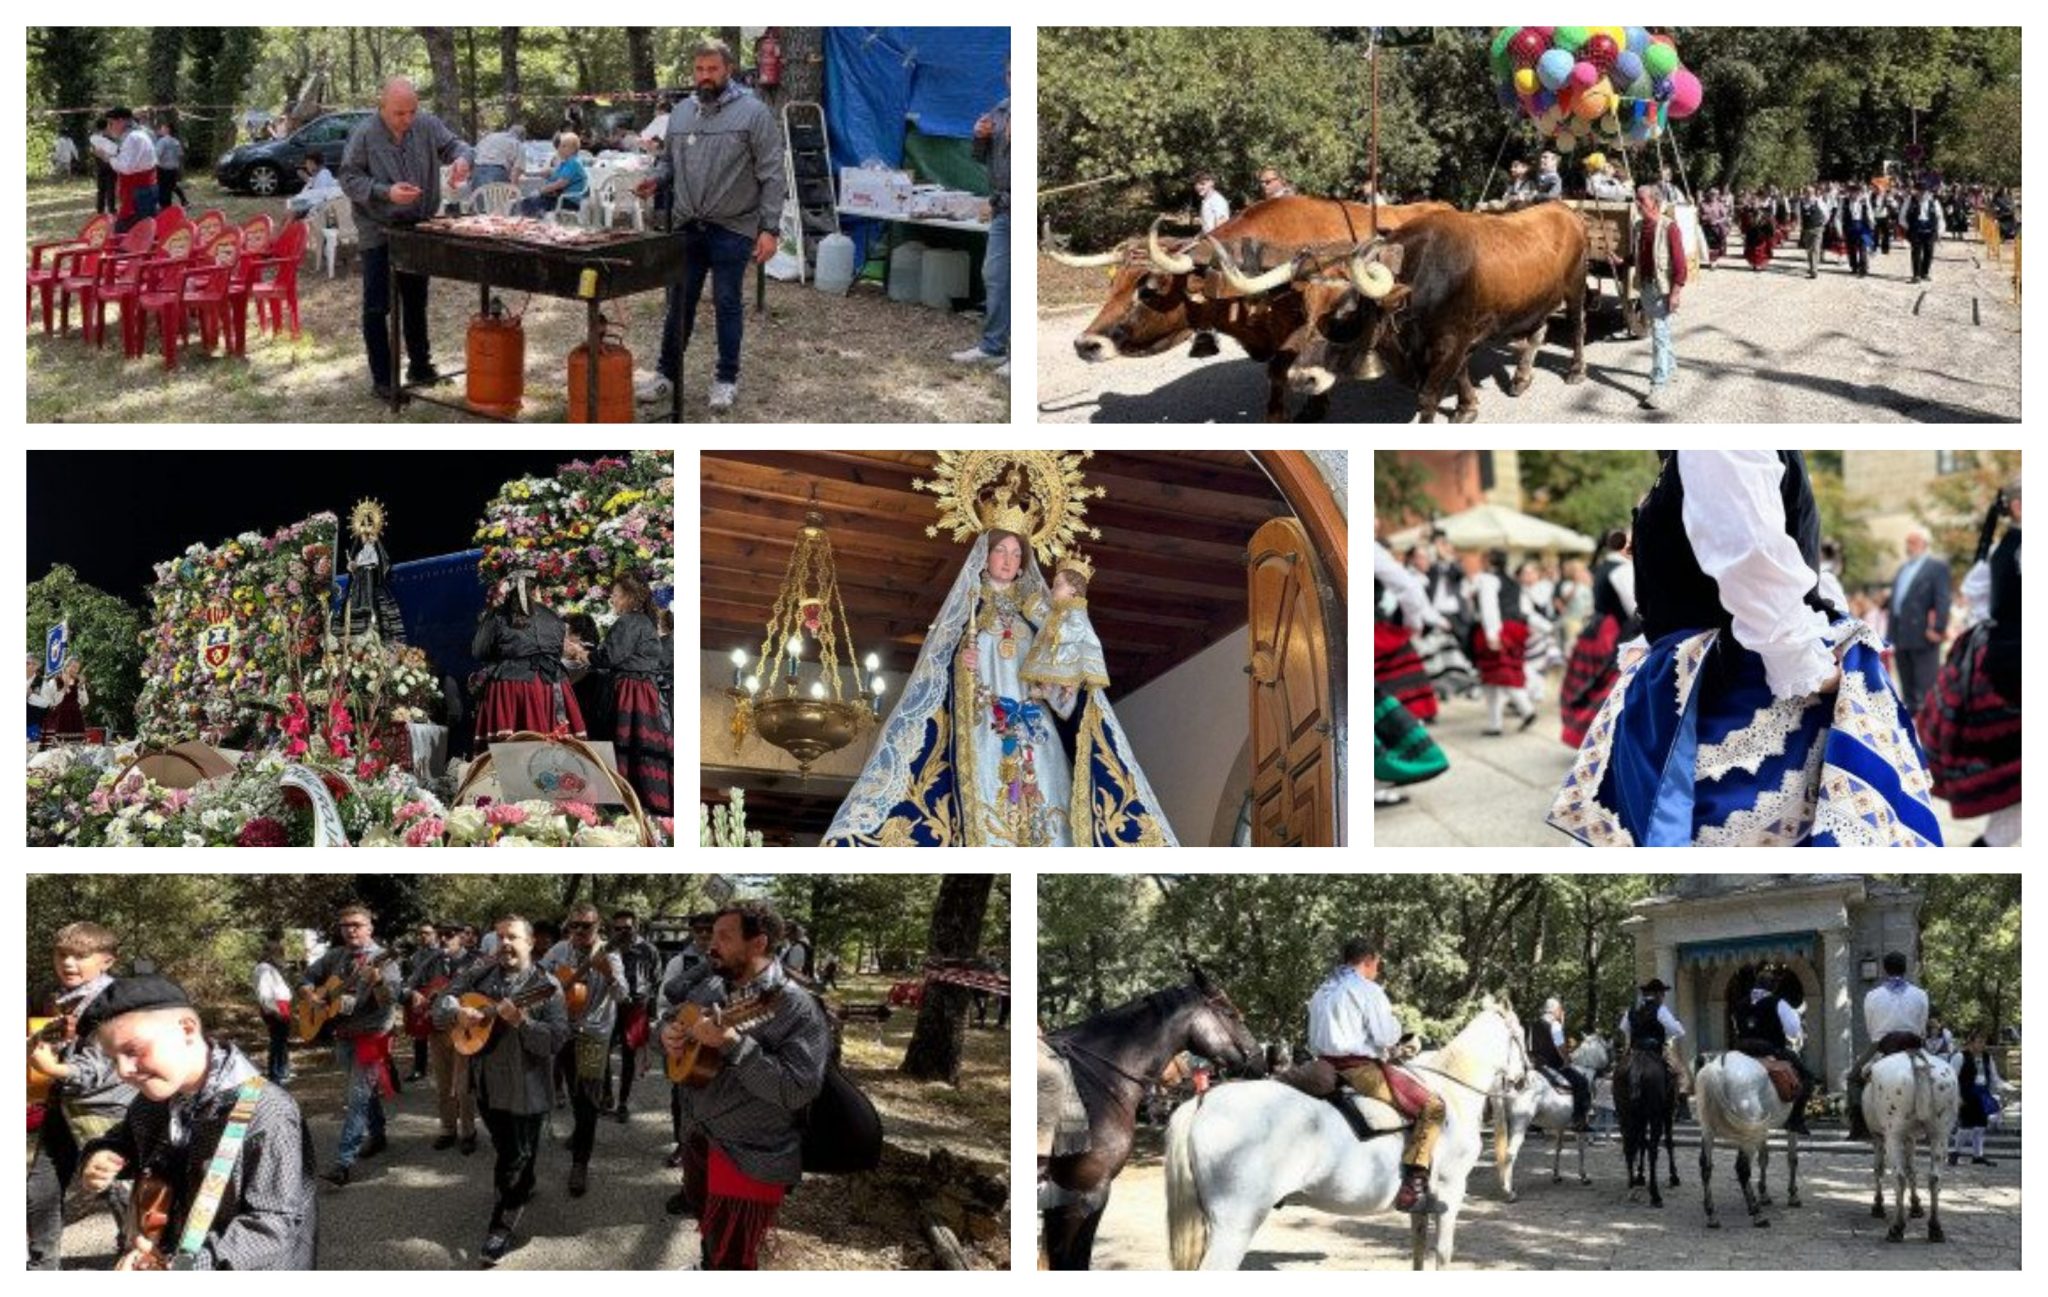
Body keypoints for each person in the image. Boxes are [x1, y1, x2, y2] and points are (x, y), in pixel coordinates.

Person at [1548, 452, 1943, 846]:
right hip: (1709, 674)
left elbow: (1753, 554)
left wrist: (1809, 668)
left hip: (1745, 677)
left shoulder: (1720, 448)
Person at [824, 498, 1175, 846]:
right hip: (984, 724)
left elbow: (1061, 665)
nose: (1008, 560)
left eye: (1015, 554)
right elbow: (938, 676)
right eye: (1001, 551)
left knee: (1049, 805)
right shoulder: (968, 611)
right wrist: (964, 662)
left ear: (1023, 563)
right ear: (986, 556)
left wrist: (1060, 676)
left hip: (1036, 728)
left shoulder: (1036, 612)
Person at [74, 976, 317, 1270]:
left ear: (187, 1029)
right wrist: (102, 1153)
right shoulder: (152, 1099)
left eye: (133, 1051)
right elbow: (127, 1140)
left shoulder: (267, 1110)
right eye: (114, 1059)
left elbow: (273, 1224)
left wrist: (189, 1267)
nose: (124, 1071)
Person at [663, 901, 830, 1269]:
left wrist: (735, 1044)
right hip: (699, 1140)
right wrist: (671, 1035)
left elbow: (796, 1090)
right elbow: (678, 1018)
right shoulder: (714, 984)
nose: (712, 944)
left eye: (724, 936)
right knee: (712, 1243)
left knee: (734, 1260)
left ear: (758, 944)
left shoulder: (798, 1007)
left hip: (750, 1154)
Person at [634, 39, 785, 412]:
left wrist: (770, 228)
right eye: (699, 69)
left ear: (728, 70)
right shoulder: (682, 113)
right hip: (688, 226)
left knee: (727, 302)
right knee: (678, 303)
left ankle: (725, 379)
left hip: (733, 228)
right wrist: (656, 178)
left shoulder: (753, 113)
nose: (705, 76)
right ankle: (665, 375)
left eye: (712, 69)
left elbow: (772, 175)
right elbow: (669, 163)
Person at [436, 916, 571, 1265]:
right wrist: (458, 1012)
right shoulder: (481, 973)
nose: (505, 944)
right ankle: (523, 1183)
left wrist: (522, 1022)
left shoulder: (548, 986)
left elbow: (556, 1041)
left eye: (512, 937)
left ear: (530, 943)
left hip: (527, 1089)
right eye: (500, 938)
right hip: (485, 1082)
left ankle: (502, 1222)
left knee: (513, 1157)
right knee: (507, 1147)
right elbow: (441, 1004)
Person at [339, 75, 474, 400]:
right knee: (378, 306)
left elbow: (458, 146)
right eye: (399, 113)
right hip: (379, 229)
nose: (407, 119)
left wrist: (461, 161)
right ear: (382, 106)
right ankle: (383, 381)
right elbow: (348, 178)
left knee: (415, 299)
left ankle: (421, 366)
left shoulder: (426, 124)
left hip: (418, 225)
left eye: (412, 111)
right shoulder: (365, 134)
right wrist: (386, 192)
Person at [27, 922, 137, 1270]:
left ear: (107, 960)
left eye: (80, 956)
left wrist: (50, 1068)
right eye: (62, 954)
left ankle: (137, 1253)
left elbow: (97, 1070)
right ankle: (42, 1266)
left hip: (106, 1110)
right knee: (40, 1189)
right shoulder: (57, 996)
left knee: (117, 1189)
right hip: (63, 1104)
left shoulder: (113, 1003)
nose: (69, 963)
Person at [1919, 479, 2021, 846]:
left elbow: (1981, 601)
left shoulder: (2004, 549)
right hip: (2011, 666)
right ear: (2020, 508)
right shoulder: (2021, 548)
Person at [1306, 937, 1440, 1212]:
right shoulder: (1367, 989)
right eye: (1377, 965)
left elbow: (1314, 1038)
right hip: (1358, 1070)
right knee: (1433, 1106)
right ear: (1367, 961)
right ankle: (1413, 1187)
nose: (1377, 970)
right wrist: (1396, 1034)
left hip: (1322, 1066)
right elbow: (1385, 1035)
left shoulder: (1322, 990)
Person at [300, 904, 401, 1188]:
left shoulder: (384, 960)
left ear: (370, 928)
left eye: (357, 924)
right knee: (364, 1092)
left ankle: (343, 1162)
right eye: (346, 926)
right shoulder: (336, 956)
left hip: (371, 1035)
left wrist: (378, 982)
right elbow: (306, 978)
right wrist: (311, 995)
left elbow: (390, 999)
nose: (351, 930)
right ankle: (378, 1135)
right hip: (342, 1035)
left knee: (356, 1097)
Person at [540, 904, 627, 1198]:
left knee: (588, 1098)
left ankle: (580, 1164)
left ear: (598, 927)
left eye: (585, 926)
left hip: (593, 1034)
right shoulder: (558, 951)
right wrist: (553, 986)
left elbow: (624, 995)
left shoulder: (610, 954)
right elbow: (539, 980)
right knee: (572, 1089)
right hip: (563, 1031)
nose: (578, 931)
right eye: (573, 925)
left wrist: (611, 976)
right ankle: (579, 1131)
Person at [567, 572, 671, 815]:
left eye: (615, 595)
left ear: (629, 597)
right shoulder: (646, 622)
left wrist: (582, 654)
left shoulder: (629, 622)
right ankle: (641, 803)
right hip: (644, 693)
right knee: (640, 749)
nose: (612, 600)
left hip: (629, 692)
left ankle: (619, 803)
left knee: (622, 747)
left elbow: (608, 657)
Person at [471, 570, 586, 743]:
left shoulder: (498, 614)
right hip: (551, 684)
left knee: (511, 751)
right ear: (537, 589)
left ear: (509, 589)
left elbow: (479, 651)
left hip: (512, 685)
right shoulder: (552, 616)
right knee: (554, 747)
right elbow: (556, 651)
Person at [950, 63, 1011, 377]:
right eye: (1012, 74)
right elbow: (979, 156)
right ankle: (992, 347)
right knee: (996, 275)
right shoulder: (999, 112)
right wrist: (980, 136)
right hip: (1003, 207)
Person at [404, 921, 479, 1153]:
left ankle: (468, 1131)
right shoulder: (429, 960)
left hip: (465, 1029)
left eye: (450, 934)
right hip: (436, 1029)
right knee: (443, 1084)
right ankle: (447, 1129)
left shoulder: (476, 961)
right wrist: (414, 993)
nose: (445, 939)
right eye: (441, 935)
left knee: (464, 1086)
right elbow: (406, 987)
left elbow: (486, 992)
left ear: (463, 936)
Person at [658, 913, 722, 1185]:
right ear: (692, 931)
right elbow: (665, 999)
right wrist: (669, 1028)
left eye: (711, 930)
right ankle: (681, 1145)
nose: (706, 935)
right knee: (681, 1099)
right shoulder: (679, 961)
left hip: (717, 1054)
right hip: (685, 1043)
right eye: (700, 929)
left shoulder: (733, 966)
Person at [1559, 528, 1637, 748]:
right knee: (1612, 686)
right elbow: (1635, 608)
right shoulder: (1622, 570)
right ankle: (1604, 740)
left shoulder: (1601, 567)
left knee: (1598, 686)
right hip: (1613, 631)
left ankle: (1594, 739)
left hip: (1597, 628)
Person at [1846, 951, 1930, 1140]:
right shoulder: (1921, 994)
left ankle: (1859, 1126)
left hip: (1884, 1045)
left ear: (1884, 969)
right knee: (1933, 1072)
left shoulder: (1872, 996)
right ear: (1905, 968)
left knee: (1853, 1077)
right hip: (1913, 1045)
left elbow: (1871, 1028)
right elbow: (1922, 1027)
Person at [1020, 551, 1109, 712]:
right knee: (1047, 664)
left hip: (1071, 649)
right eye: (1053, 586)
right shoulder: (1058, 609)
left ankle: (1067, 690)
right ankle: (1046, 688)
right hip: (1056, 647)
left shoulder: (1076, 609)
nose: (1052, 590)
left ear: (1073, 590)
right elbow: (1044, 620)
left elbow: (1078, 629)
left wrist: (1059, 633)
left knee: (1066, 670)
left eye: (1058, 586)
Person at [1730, 967, 1812, 1135]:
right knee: (1807, 1078)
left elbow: (1737, 1028)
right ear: (1772, 987)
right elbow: (1793, 1031)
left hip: (1743, 1050)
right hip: (1770, 1049)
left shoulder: (1740, 1003)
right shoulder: (1778, 1002)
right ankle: (1795, 1120)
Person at [603, 909, 663, 1122]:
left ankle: (623, 1103)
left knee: (629, 1056)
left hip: (636, 1007)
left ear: (635, 927)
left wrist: (651, 1013)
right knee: (603, 1052)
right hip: (610, 1007)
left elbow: (656, 980)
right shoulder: (607, 948)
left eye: (627, 928)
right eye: (617, 928)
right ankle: (607, 1095)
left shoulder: (649, 950)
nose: (622, 932)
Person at [1471, 549, 1536, 735]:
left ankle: (1526, 709)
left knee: (1500, 673)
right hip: (1515, 628)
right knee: (1496, 676)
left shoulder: (1487, 579)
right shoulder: (1513, 582)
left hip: (1499, 629)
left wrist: (1492, 634)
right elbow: (1523, 609)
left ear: (1489, 561)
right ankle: (1495, 723)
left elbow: (1488, 607)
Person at [1635, 183, 1687, 409]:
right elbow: (1637, 254)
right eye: (1636, 200)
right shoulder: (1639, 226)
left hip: (1661, 289)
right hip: (1645, 287)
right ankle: (1672, 367)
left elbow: (1680, 265)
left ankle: (1658, 386)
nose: (1637, 204)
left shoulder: (1669, 227)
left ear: (1654, 202)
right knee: (1662, 332)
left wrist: (1675, 292)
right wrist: (1621, 261)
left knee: (1659, 334)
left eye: (1641, 201)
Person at [1890, 528, 1951, 714]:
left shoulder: (1936, 567)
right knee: (1907, 685)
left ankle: (1930, 730)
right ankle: (1911, 726)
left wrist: (1938, 628)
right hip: (1901, 634)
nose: (1908, 547)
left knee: (1926, 686)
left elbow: (1943, 599)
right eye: (1907, 542)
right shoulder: (1903, 568)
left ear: (1924, 544)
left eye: (1912, 542)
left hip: (1924, 633)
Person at [1531, 998, 1591, 1130]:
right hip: (1554, 1065)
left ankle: (1534, 1124)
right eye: (1560, 1009)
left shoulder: (1534, 1025)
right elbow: (1560, 1046)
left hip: (1538, 1066)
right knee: (1582, 1082)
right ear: (1555, 1010)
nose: (1561, 1012)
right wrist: (1566, 1060)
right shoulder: (1555, 1025)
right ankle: (1579, 1120)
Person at [1949, 1029, 2003, 1166]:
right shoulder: (1960, 1057)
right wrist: (1956, 1097)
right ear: (1971, 1042)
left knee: (1980, 1126)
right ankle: (1955, 1153)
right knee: (1965, 1127)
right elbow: (1951, 1079)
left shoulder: (1987, 1057)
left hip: (1983, 1095)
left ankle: (1977, 1156)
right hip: (1966, 1095)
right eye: (1979, 1041)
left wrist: (2003, 1092)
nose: (1982, 1044)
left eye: (1984, 1042)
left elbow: (1994, 1077)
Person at [103, 107, 159, 233]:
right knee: (145, 229)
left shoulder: (133, 138)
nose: (109, 127)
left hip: (139, 190)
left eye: (111, 123)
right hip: (142, 189)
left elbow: (126, 168)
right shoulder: (137, 135)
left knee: (130, 231)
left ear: (121, 121)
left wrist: (109, 158)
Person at [401, 920, 439, 1082]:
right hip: (419, 995)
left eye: (427, 933)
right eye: (421, 933)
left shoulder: (442, 954)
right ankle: (419, 1069)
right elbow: (408, 981)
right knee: (419, 1035)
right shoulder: (414, 957)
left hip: (439, 994)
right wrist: (412, 993)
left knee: (440, 1033)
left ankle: (443, 1069)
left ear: (435, 935)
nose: (423, 936)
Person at [254, 941, 296, 1085]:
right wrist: (273, 1010)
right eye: (279, 952)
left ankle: (282, 1070)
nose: (281, 955)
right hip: (275, 1007)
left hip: (281, 1006)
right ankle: (276, 1074)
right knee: (277, 1041)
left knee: (282, 1040)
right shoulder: (263, 968)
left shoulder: (271, 968)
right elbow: (264, 992)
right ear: (271, 953)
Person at [519, 131, 588, 218]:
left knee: (531, 203)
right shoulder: (566, 162)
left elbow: (561, 183)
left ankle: (533, 226)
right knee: (527, 202)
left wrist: (541, 190)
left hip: (568, 200)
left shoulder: (573, 163)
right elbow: (554, 174)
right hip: (560, 198)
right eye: (559, 146)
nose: (559, 149)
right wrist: (544, 174)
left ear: (573, 149)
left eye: (564, 146)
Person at [30, 657, 89, 744]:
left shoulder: (79, 683)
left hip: (75, 719)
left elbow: (85, 702)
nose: (75, 670)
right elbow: (53, 702)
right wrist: (64, 687)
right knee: (58, 748)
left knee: (77, 747)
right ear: (66, 666)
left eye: (77, 668)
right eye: (73, 667)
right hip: (59, 718)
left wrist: (81, 686)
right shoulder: (54, 681)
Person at [1904, 181, 1942, 283]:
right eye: (1918, 191)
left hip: (1930, 230)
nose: (1920, 193)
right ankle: (1916, 275)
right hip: (1916, 230)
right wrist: (1908, 227)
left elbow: (1939, 217)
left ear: (1927, 191)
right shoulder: (1910, 200)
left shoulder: (1934, 201)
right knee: (1916, 253)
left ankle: (1925, 273)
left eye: (1923, 191)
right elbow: (1902, 216)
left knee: (1929, 252)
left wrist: (1940, 231)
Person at [469, 122, 525, 189]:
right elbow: (516, 172)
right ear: (522, 137)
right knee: (499, 197)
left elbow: (473, 154)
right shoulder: (517, 144)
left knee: (479, 197)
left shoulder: (490, 136)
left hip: (477, 173)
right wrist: (513, 191)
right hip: (497, 174)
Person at [286, 154, 342, 220]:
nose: (306, 167)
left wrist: (300, 205)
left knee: (291, 205)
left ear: (312, 163)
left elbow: (319, 196)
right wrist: (307, 179)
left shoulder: (323, 175)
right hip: (315, 204)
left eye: (308, 164)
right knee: (290, 204)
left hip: (318, 207)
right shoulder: (320, 174)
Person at [153, 122, 188, 210]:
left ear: (167, 129)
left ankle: (165, 209)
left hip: (163, 169)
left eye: (162, 128)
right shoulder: (176, 141)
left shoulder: (162, 141)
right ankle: (171, 206)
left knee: (163, 190)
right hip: (174, 169)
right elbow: (180, 154)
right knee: (170, 188)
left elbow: (156, 155)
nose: (160, 130)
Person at [1842, 182, 1874, 277]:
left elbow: (1870, 213)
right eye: (1852, 192)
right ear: (1850, 192)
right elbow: (1839, 216)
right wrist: (1839, 227)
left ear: (1859, 192)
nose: (1854, 194)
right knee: (1851, 248)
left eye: (1856, 192)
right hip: (1850, 226)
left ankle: (1863, 269)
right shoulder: (1844, 201)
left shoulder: (1865, 201)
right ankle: (1854, 267)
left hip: (1863, 226)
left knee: (1863, 248)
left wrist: (1872, 224)